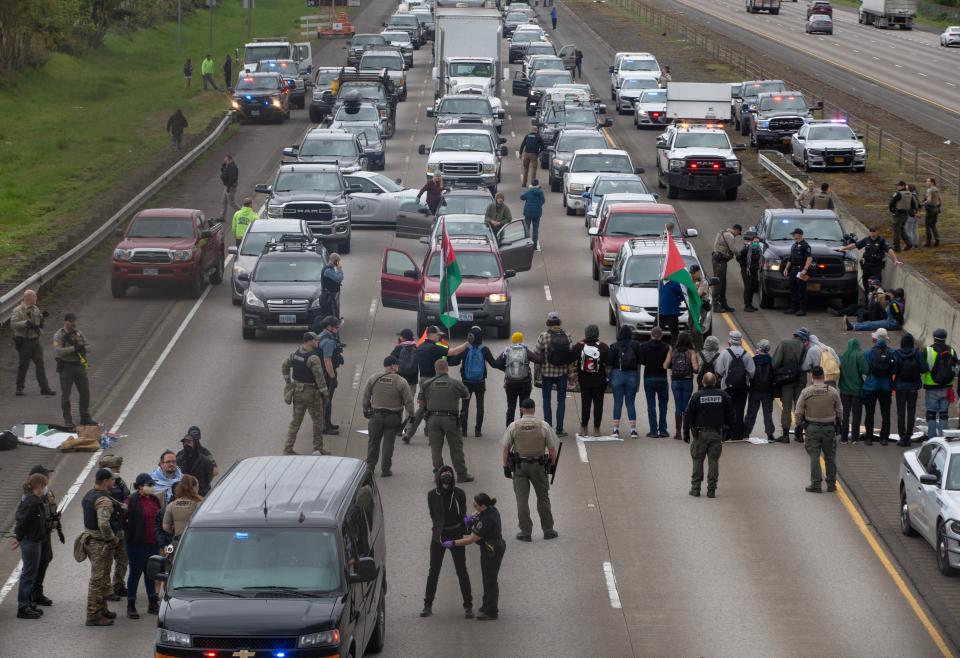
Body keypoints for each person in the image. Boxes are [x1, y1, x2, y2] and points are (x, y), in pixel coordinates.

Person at [502, 398, 559, 541]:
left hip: (520, 466)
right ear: (534, 409)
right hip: (539, 466)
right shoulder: (543, 425)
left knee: (522, 500)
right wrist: (552, 465)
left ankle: (525, 532)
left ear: (521, 409)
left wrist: (505, 467)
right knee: (543, 498)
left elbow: (505, 449)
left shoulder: (514, 426)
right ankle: (548, 530)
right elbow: (552, 449)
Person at [442, 493, 505, 621]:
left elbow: (471, 539)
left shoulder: (486, 520)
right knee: (486, 577)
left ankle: (492, 611)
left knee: (490, 580)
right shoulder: (490, 508)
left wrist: (453, 542)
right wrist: (469, 518)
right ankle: (486, 605)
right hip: (490, 546)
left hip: (492, 550)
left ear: (483, 506)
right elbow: (475, 514)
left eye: (476, 504)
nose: (473, 505)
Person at [421, 466, 473, 619]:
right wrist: (439, 529)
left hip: (456, 534)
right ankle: (427, 605)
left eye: (449, 474)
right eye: (443, 474)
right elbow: (433, 514)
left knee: (461, 570)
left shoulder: (459, 494)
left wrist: (464, 529)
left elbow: (462, 512)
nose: (446, 477)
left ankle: (468, 606)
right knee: (434, 571)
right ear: (438, 478)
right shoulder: (432, 494)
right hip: (439, 536)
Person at [403, 326, 468, 441]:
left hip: (422, 379)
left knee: (424, 407)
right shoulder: (434, 348)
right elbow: (454, 352)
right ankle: (424, 433)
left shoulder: (420, 347)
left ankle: (412, 432)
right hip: (433, 380)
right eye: (438, 335)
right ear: (432, 334)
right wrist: (467, 343)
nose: (439, 337)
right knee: (431, 407)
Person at [419, 359, 475, 481]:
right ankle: (461, 474)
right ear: (447, 368)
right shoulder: (455, 383)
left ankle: (439, 474)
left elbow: (420, 401)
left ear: (435, 369)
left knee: (436, 449)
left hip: (432, 419)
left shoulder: (427, 384)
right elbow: (467, 396)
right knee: (456, 448)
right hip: (450, 419)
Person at [684, 373, 735, 498]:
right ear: (715, 381)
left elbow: (688, 415)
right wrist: (730, 430)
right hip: (716, 433)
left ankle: (695, 489)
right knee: (713, 461)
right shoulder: (723, 395)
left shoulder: (697, 396)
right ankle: (711, 489)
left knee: (697, 460)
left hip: (700, 434)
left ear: (702, 382)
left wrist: (685, 431)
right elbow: (730, 414)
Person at [362, 355, 414, 477]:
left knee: (373, 442)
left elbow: (366, 396)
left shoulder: (373, 378)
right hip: (393, 417)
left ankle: (370, 467)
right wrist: (411, 415)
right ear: (392, 366)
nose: (398, 366)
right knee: (388, 444)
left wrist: (365, 410)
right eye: (397, 364)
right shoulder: (401, 381)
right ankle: (385, 470)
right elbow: (409, 401)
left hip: (376, 416)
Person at [81, 468, 120, 626]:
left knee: (103, 578)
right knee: (98, 580)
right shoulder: (104, 501)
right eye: (112, 480)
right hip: (100, 544)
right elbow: (103, 523)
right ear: (105, 482)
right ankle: (93, 615)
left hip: (90, 540)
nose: (114, 482)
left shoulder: (89, 495)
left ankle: (103, 609)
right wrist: (111, 538)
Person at [794, 366, 842, 493]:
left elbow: (798, 411)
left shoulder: (806, 392)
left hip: (812, 427)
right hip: (829, 428)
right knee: (830, 457)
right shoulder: (832, 391)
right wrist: (839, 422)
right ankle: (831, 484)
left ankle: (816, 484)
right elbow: (839, 410)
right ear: (823, 376)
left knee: (814, 456)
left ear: (812, 377)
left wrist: (799, 424)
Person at [281, 332, 329, 455]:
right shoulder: (313, 357)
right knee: (317, 421)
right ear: (309, 341)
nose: (317, 342)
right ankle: (317, 449)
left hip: (297, 391)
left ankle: (288, 447)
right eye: (315, 340)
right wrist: (325, 393)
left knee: (295, 421)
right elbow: (319, 377)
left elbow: (284, 366)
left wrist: (288, 382)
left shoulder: (296, 354)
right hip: (311, 393)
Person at [124, 473, 161, 620]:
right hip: (137, 544)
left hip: (152, 542)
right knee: (135, 573)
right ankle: (131, 605)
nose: (151, 487)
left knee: (151, 573)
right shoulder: (131, 500)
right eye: (149, 485)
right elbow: (122, 519)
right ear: (140, 486)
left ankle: (152, 604)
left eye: (152, 485)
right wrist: (129, 533)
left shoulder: (154, 499)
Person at [12, 473, 48, 619]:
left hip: (34, 539)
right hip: (31, 541)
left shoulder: (31, 499)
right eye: (44, 485)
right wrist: (18, 537)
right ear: (38, 485)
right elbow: (22, 521)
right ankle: (23, 606)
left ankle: (28, 602)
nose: (45, 488)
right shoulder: (32, 502)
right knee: (28, 574)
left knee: (31, 573)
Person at [835, 224, 901, 303]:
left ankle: (875, 303)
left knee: (876, 286)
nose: (872, 233)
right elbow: (855, 245)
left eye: (874, 231)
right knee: (866, 285)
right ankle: (867, 302)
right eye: (871, 231)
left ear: (877, 232)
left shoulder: (881, 241)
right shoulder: (867, 240)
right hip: (867, 266)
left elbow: (889, 250)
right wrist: (843, 248)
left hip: (876, 267)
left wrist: (895, 260)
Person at [23, 465, 59, 609]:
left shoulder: (47, 494)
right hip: (35, 536)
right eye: (46, 477)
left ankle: (38, 593)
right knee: (33, 567)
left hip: (46, 534)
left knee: (45, 560)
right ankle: (29, 597)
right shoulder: (29, 497)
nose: (48, 479)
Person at [536, 311, 575, 436]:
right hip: (562, 374)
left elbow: (536, 354)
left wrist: (537, 374)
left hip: (547, 374)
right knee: (561, 401)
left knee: (546, 400)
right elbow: (571, 355)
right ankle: (559, 429)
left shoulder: (543, 336)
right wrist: (571, 376)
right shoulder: (567, 336)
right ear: (559, 322)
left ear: (548, 323)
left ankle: (548, 429)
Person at [11, 289, 55, 397]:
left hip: (35, 340)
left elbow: (38, 323)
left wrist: (42, 317)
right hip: (24, 341)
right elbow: (13, 324)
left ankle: (44, 388)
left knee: (40, 365)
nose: (36, 298)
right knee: (23, 366)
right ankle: (19, 388)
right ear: (28, 298)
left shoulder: (35, 308)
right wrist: (25, 323)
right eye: (34, 296)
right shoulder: (18, 310)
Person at [53, 312, 92, 428]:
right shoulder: (59, 335)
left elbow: (88, 346)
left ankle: (85, 417)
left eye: (74, 321)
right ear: (66, 322)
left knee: (85, 392)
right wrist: (73, 348)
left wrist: (82, 348)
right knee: (66, 395)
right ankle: (68, 420)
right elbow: (58, 351)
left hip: (79, 365)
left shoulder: (79, 333)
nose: (73, 323)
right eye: (71, 321)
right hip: (66, 367)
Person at [494, 331, 542, 426]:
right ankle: (523, 428)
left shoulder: (507, 350)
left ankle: (509, 429)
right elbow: (538, 360)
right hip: (525, 383)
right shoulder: (525, 350)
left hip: (510, 383)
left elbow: (496, 364)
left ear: (512, 340)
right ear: (521, 340)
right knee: (523, 407)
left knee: (511, 407)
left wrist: (506, 370)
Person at [714, 330, 754, 441]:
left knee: (727, 409)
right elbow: (752, 373)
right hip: (742, 387)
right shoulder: (746, 355)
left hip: (727, 387)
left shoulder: (724, 353)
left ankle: (726, 433)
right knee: (739, 409)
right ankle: (737, 434)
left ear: (730, 341)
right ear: (741, 341)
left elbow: (719, 370)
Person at [458, 326, 497, 437]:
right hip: (480, 382)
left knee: (465, 406)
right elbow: (494, 364)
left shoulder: (465, 348)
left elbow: (455, 361)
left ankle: (464, 431)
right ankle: (478, 430)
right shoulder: (484, 349)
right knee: (480, 407)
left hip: (466, 381)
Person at [99, 454, 129, 598]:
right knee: (107, 561)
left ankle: (118, 584)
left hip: (121, 526)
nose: (117, 470)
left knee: (123, 558)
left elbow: (127, 496)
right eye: (114, 468)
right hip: (109, 528)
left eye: (118, 468)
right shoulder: (105, 485)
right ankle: (107, 589)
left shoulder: (120, 482)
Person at [862, 328, 897, 446]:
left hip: (871, 387)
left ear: (876, 339)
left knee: (870, 413)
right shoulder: (892, 353)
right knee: (885, 414)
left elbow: (865, 370)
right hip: (886, 387)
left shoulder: (868, 353)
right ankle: (884, 438)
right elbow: (894, 369)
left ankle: (869, 438)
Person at [772, 327, 808, 442]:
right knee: (800, 407)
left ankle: (786, 435)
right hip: (801, 380)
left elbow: (775, 362)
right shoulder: (805, 347)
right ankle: (799, 434)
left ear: (794, 335)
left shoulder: (784, 343)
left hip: (786, 380)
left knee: (786, 407)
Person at [573, 325, 609, 436]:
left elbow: (572, 358)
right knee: (598, 405)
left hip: (584, 381)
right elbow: (609, 362)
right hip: (600, 382)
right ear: (597, 333)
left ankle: (584, 427)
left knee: (585, 404)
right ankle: (597, 428)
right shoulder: (603, 346)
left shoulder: (579, 346)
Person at [608, 325, 642, 437]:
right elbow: (641, 359)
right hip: (632, 375)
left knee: (618, 403)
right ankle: (633, 430)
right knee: (630, 403)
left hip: (617, 374)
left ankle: (615, 429)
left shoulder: (614, 346)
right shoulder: (636, 345)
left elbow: (609, 361)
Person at [922, 328, 957, 439]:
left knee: (931, 414)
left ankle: (932, 439)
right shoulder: (951, 351)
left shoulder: (928, 350)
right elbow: (956, 369)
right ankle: (943, 439)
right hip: (947, 388)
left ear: (934, 337)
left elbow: (922, 367)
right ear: (945, 338)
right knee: (944, 414)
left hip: (931, 387)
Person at [664, 331, 698, 440]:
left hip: (675, 382)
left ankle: (678, 433)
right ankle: (687, 431)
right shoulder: (691, 352)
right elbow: (696, 368)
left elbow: (665, 365)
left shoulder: (672, 351)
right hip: (687, 381)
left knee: (678, 406)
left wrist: (672, 366)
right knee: (686, 407)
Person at [894, 333, 926, 447]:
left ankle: (902, 437)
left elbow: (894, 369)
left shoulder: (897, 353)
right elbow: (924, 368)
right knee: (911, 412)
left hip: (900, 387)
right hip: (913, 387)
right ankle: (908, 437)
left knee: (901, 413)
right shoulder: (917, 353)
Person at [640, 326, 671, 438]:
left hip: (648, 378)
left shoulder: (643, 346)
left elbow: (641, 361)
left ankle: (653, 430)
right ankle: (663, 430)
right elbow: (669, 364)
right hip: (662, 378)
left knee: (651, 405)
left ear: (651, 335)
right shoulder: (666, 347)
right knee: (663, 405)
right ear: (661, 336)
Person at [161, 474, 203, 555]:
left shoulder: (172, 505)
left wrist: (173, 529)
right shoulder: (199, 504)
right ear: (194, 487)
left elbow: (165, 527)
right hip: (195, 542)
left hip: (176, 542)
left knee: (170, 561)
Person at [743, 339, 776, 442]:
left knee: (751, 413)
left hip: (754, 391)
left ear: (759, 349)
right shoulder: (772, 361)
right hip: (767, 392)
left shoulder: (753, 360)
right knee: (767, 413)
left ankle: (746, 432)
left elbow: (748, 375)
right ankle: (770, 434)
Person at [317, 316, 344, 435]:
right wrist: (332, 377)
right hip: (327, 373)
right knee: (327, 400)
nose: (337, 328)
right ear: (329, 327)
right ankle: (325, 426)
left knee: (325, 399)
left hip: (321, 372)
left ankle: (327, 423)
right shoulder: (329, 341)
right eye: (336, 326)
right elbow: (327, 361)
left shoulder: (320, 336)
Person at [838, 338, 868, 445]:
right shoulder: (859, 355)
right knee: (857, 414)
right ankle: (855, 438)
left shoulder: (842, 356)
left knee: (845, 414)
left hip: (844, 390)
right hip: (857, 391)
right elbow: (866, 370)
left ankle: (844, 438)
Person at [176, 426, 218, 496]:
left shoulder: (205, 452)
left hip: (202, 492)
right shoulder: (180, 455)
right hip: (185, 492)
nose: (187, 444)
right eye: (186, 442)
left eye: (190, 441)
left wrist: (203, 483)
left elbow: (215, 471)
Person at [711, 224, 741, 312]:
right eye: (738, 233)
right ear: (736, 230)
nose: (737, 235)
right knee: (718, 283)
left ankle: (724, 304)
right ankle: (716, 305)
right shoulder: (729, 235)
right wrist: (740, 255)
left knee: (723, 283)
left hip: (721, 261)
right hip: (719, 261)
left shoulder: (724, 233)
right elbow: (733, 249)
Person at [783, 227, 813, 316]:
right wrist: (786, 268)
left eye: (794, 234)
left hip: (801, 270)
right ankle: (793, 308)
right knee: (793, 289)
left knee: (801, 290)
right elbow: (790, 258)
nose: (793, 235)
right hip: (793, 269)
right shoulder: (794, 245)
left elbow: (809, 258)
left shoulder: (805, 245)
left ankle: (802, 309)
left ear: (799, 235)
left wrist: (805, 270)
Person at [391, 328, 421, 401]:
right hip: (412, 380)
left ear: (404, 338)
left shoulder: (398, 348)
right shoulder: (416, 347)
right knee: (409, 402)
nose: (399, 338)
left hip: (400, 379)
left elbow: (391, 360)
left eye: (401, 337)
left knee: (398, 403)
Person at [737, 230, 762, 312]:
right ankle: (746, 306)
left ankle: (750, 304)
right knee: (748, 288)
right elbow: (739, 257)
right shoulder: (746, 249)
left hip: (754, 270)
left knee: (752, 287)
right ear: (751, 242)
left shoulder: (759, 250)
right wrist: (744, 265)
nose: (756, 243)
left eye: (757, 242)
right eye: (755, 242)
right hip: (747, 271)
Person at [689, 264, 712, 351]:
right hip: (692, 308)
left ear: (698, 272)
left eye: (693, 273)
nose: (692, 275)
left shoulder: (704, 282)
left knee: (696, 329)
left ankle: (700, 348)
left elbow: (697, 294)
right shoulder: (691, 280)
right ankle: (693, 347)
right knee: (691, 328)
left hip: (701, 309)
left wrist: (693, 286)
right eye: (691, 273)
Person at [888, 180, 916, 252]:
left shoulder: (898, 194)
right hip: (905, 214)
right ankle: (909, 243)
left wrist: (892, 210)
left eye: (898, 185)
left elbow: (891, 202)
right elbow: (913, 205)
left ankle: (896, 247)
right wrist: (912, 212)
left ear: (903, 186)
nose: (897, 187)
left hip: (898, 214)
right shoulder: (910, 194)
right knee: (902, 230)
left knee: (896, 230)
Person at [520, 179, 545, 249]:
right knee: (535, 229)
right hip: (537, 213)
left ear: (531, 184)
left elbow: (522, 197)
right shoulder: (541, 192)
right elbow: (543, 201)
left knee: (527, 228)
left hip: (528, 213)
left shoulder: (529, 191)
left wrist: (528, 190)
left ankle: (527, 244)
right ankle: (535, 245)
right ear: (538, 184)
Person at [658, 277, 684, 342]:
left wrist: (677, 301)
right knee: (656, 330)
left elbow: (683, 295)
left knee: (674, 332)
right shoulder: (660, 283)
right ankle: (655, 347)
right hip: (661, 312)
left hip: (672, 313)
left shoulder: (675, 284)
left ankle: (674, 349)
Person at [320, 253, 344, 320]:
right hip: (328, 297)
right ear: (334, 261)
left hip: (330, 295)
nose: (338, 263)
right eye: (337, 261)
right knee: (330, 314)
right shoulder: (328, 270)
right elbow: (339, 278)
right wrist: (340, 270)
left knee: (334, 312)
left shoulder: (331, 269)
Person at [220, 155, 239, 222]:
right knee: (223, 201)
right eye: (224, 161)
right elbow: (224, 174)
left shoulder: (232, 167)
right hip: (227, 186)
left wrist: (228, 187)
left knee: (231, 203)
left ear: (230, 160)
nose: (225, 162)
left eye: (226, 161)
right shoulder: (228, 166)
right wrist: (223, 166)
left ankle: (242, 213)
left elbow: (232, 178)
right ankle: (222, 217)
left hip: (230, 187)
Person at [923, 177, 941, 247]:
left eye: (928, 181)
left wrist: (922, 203)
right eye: (926, 181)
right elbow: (940, 199)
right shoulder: (936, 189)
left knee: (927, 226)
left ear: (932, 182)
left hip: (930, 209)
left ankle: (928, 242)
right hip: (936, 208)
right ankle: (937, 238)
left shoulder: (930, 190)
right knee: (933, 225)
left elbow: (929, 200)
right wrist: (938, 206)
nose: (926, 183)